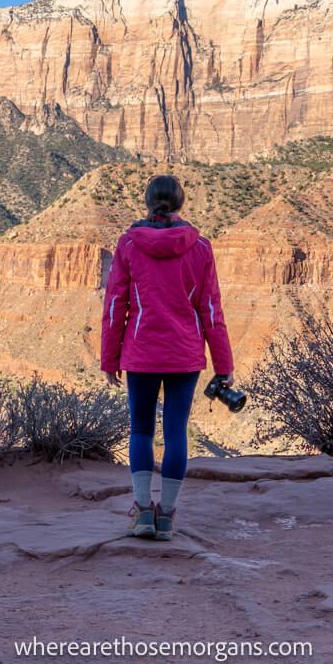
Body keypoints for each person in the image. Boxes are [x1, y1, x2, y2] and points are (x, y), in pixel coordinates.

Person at [100, 174, 234, 541]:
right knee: (175, 433)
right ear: (180, 203)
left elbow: (115, 306)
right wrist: (224, 366)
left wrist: (109, 360)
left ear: (148, 202)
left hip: (141, 352)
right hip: (184, 355)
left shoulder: (128, 245)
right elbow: (211, 311)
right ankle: (168, 517)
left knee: (141, 429)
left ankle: (143, 511)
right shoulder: (201, 247)